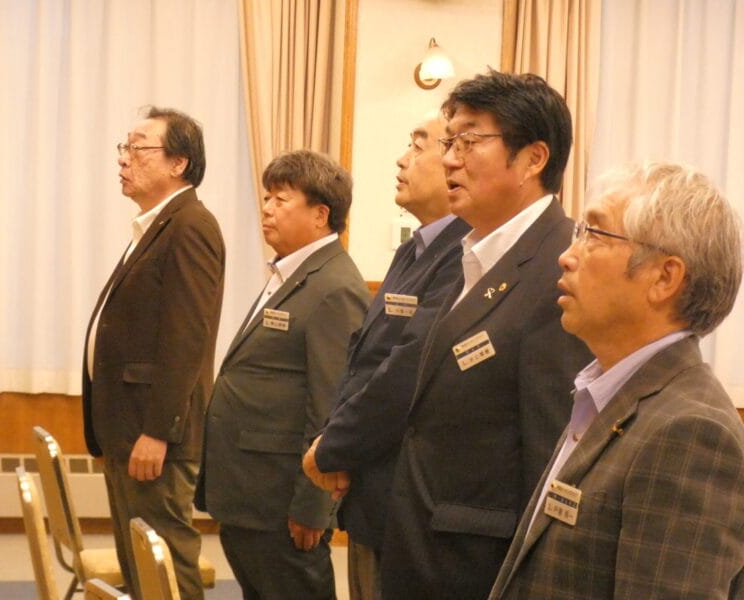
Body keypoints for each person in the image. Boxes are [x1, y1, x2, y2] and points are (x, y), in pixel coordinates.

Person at [379, 69, 592, 599]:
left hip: (481, 571)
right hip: (424, 550)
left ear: (533, 159)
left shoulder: (562, 268)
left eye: (469, 142)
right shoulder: (473, 255)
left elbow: (551, 452)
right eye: (449, 143)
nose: (450, 160)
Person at [489, 162, 744, 599]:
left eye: (594, 235)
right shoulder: (607, 393)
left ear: (664, 277)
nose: (567, 256)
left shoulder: (689, 432)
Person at [301, 113, 469, 600]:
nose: (401, 159)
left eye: (418, 145)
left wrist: (334, 448)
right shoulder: (413, 250)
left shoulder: (464, 253)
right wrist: (339, 447)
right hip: (368, 484)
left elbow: (404, 370)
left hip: (401, 493)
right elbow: (361, 360)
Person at [195, 150, 371, 600]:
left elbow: (331, 406)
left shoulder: (334, 287)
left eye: (281, 199)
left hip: (281, 502)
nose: (267, 209)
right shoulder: (292, 272)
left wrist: (313, 506)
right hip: (252, 495)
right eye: (266, 197)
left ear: (320, 214)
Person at [82, 106, 225, 600]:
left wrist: (158, 431)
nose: (124, 159)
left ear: (178, 163)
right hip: (129, 428)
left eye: (137, 148)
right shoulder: (155, 226)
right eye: (123, 147)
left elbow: (187, 339)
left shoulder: (191, 225)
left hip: (154, 434)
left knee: (165, 569)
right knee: (139, 570)